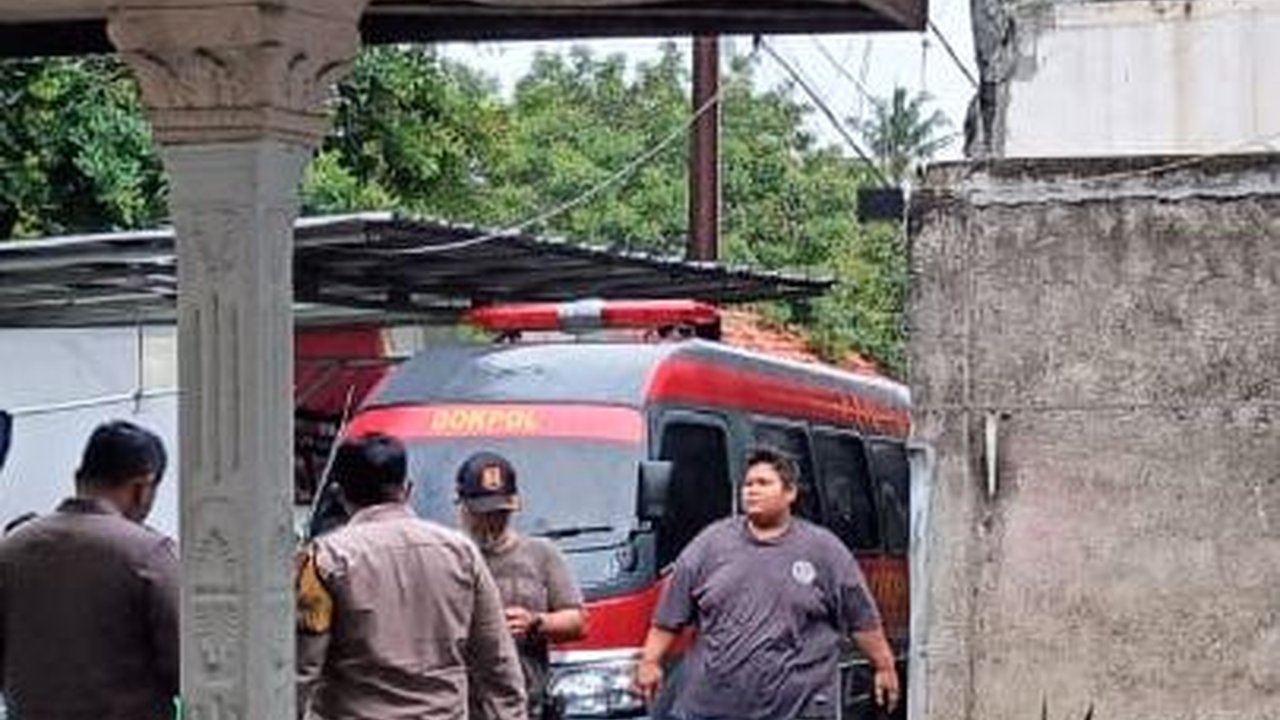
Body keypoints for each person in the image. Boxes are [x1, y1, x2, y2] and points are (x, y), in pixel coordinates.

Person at [633, 446, 900, 720]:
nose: (752, 490)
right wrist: (650, 661)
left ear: (790, 493)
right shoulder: (709, 545)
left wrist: (884, 665)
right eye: (748, 484)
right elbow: (669, 616)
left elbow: (861, 620)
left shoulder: (824, 551)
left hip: (798, 707)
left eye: (763, 483)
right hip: (713, 706)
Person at [296, 433, 527, 720]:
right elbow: (498, 665)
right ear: (407, 489)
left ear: (339, 494)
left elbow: (301, 670)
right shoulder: (461, 553)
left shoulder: (324, 560)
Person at [0, 420, 177, 720]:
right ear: (142, 488)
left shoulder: (11, 549)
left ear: (79, 476)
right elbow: (187, 666)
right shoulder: (149, 554)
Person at [456, 452, 587, 720]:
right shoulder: (447, 557)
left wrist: (536, 622)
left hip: (526, 704)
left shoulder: (541, 554)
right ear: (462, 506)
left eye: (501, 512)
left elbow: (579, 622)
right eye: (484, 513)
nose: (493, 521)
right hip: (461, 706)